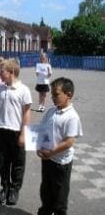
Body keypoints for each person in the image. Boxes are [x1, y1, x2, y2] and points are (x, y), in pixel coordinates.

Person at [36, 77, 82, 215]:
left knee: (60, 196)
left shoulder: (72, 117)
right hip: (48, 160)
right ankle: (45, 210)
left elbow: (69, 142)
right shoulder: (51, 111)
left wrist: (52, 151)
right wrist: (39, 146)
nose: (53, 98)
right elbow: (41, 129)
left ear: (69, 94)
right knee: (46, 190)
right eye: (52, 95)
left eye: (56, 94)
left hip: (61, 163)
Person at [0, 58, 32, 206]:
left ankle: (14, 190)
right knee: (3, 163)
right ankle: (5, 188)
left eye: (2, 71)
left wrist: (23, 134)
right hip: (1, 130)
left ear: (11, 72)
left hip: (16, 131)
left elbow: (27, 113)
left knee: (18, 163)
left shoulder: (23, 90)